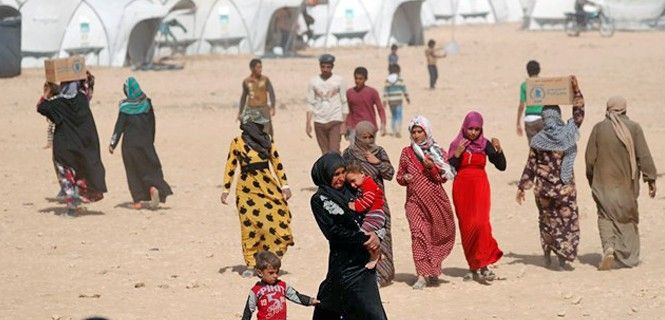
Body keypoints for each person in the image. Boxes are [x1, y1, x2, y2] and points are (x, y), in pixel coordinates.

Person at [516, 76, 585, 270]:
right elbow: (579, 115)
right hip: (565, 188)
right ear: (559, 116)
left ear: (544, 119)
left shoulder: (538, 139)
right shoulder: (568, 133)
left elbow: (530, 165)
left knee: (547, 221)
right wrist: (576, 91)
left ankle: (547, 252)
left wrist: (522, 187)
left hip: (544, 190)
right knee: (567, 222)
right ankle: (563, 258)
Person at [310, 153, 388, 319]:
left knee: (371, 311)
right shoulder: (319, 199)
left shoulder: (354, 190)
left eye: (342, 173)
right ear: (325, 175)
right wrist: (365, 239)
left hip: (364, 262)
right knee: (332, 305)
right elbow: (333, 232)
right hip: (344, 265)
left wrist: (376, 235)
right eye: (335, 174)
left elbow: (376, 211)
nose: (340, 178)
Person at [585, 96, 657, 270]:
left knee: (605, 215)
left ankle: (609, 247)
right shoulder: (634, 128)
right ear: (625, 109)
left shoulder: (599, 128)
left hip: (603, 183)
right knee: (627, 218)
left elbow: (589, 158)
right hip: (626, 185)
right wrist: (650, 179)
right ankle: (629, 257)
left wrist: (591, 178)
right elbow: (644, 156)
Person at [221, 110, 294, 277]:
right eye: (258, 124)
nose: (261, 126)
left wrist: (285, 185)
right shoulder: (237, 142)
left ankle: (269, 260)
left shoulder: (267, 142)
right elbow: (230, 166)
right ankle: (251, 264)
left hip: (268, 188)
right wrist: (226, 189)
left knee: (277, 221)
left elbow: (277, 163)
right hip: (246, 191)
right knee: (250, 227)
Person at [396, 116, 456, 290]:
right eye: (413, 132)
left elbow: (443, 178)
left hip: (436, 201)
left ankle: (433, 270)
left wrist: (431, 167)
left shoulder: (437, 152)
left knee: (437, 234)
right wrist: (405, 178)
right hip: (414, 202)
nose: (416, 135)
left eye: (419, 131)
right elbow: (399, 176)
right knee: (418, 234)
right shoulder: (406, 153)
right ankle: (421, 274)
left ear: (426, 132)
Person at [448, 111, 506, 283]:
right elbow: (449, 170)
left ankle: (485, 264)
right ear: (465, 127)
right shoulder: (457, 144)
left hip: (480, 187)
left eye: (477, 129)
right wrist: (457, 155)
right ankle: (473, 266)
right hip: (462, 188)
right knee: (467, 227)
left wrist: (499, 150)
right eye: (470, 129)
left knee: (481, 224)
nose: (473, 132)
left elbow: (501, 166)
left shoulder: (484, 144)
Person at [37, 78, 106, 217]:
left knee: (67, 178)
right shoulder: (82, 100)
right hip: (82, 147)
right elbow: (87, 91)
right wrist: (86, 78)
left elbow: (41, 107)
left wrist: (46, 93)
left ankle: (72, 207)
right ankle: (78, 198)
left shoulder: (57, 103)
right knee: (80, 173)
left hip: (64, 147)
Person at [342, 121, 396, 286]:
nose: (367, 140)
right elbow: (343, 175)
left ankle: (383, 274)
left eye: (370, 137)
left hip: (378, 203)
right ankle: (362, 274)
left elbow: (390, 173)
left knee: (382, 236)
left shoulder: (379, 152)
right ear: (357, 136)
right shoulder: (349, 153)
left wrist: (377, 163)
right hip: (357, 202)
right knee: (360, 237)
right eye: (364, 137)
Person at [109, 77, 173, 210]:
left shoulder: (125, 107)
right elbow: (152, 124)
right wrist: (150, 140)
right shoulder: (147, 104)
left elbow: (119, 127)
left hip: (129, 145)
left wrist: (112, 143)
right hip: (145, 142)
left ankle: (137, 201)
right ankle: (153, 187)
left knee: (133, 171)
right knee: (151, 167)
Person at [241, 251, 319, 320]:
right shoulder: (256, 291)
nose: (275, 275)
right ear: (260, 273)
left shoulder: (282, 286)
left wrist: (310, 301)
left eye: (277, 272)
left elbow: (296, 296)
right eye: (271, 273)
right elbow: (248, 310)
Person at [306, 54, 349, 154]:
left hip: (335, 119)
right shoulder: (313, 81)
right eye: (323, 66)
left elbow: (344, 102)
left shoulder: (339, 81)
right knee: (325, 154)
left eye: (328, 67)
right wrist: (308, 123)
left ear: (332, 67)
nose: (325, 69)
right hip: (319, 121)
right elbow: (310, 103)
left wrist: (344, 123)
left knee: (334, 151)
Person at [346, 162, 386, 269]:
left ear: (362, 174)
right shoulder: (364, 184)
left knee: (363, 235)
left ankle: (375, 256)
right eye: (350, 183)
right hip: (374, 215)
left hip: (375, 215)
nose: (352, 185)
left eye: (353, 181)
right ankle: (378, 253)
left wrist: (354, 206)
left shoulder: (368, 184)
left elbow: (367, 201)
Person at [345, 67, 386, 142]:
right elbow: (347, 111)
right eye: (356, 78)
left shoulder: (372, 92)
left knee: (368, 152)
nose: (357, 81)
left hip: (369, 128)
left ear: (365, 79)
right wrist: (346, 126)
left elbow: (380, 109)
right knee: (354, 152)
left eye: (360, 79)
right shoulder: (349, 93)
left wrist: (383, 124)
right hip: (354, 128)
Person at [239, 59, 277, 136]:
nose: (260, 69)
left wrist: (273, 107)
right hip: (251, 110)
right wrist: (240, 112)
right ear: (252, 69)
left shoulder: (265, 79)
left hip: (264, 109)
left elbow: (271, 93)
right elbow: (243, 97)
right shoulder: (246, 81)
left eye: (261, 67)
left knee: (266, 131)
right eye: (258, 67)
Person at [516, 60, 544, 144]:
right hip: (542, 117)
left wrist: (518, 122)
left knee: (533, 148)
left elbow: (521, 105)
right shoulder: (544, 83)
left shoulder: (524, 85)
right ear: (539, 70)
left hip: (530, 118)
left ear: (527, 71)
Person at [383, 64, 410, 138]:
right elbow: (404, 90)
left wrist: (384, 101)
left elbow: (385, 92)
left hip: (391, 102)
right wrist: (407, 98)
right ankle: (398, 130)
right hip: (398, 101)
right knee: (399, 116)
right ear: (398, 71)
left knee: (393, 116)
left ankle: (394, 131)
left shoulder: (387, 81)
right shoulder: (400, 80)